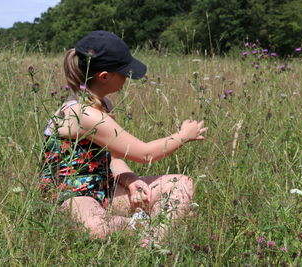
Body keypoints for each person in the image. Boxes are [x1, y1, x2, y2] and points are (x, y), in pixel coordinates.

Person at [40, 30, 207, 246]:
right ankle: (153, 227)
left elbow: (114, 157)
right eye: (124, 73)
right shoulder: (83, 114)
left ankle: (152, 237)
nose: (127, 78)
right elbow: (144, 153)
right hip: (73, 196)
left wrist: (130, 180)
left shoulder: (101, 104)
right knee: (93, 227)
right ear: (104, 77)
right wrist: (183, 136)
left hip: (105, 189)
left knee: (180, 183)